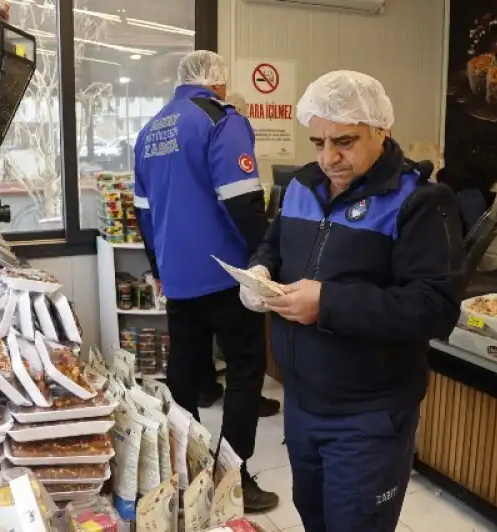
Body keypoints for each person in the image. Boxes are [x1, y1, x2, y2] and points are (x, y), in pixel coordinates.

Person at [240, 70, 466, 531]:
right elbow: (273, 246)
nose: (329, 158)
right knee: (315, 518)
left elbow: (434, 307)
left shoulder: (420, 201)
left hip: (369, 415)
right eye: (318, 142)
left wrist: (328, 303)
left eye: (344, 141)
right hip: (302, 402)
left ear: (381, 130)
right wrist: (259, 271)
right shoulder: (302, 186)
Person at [133, 50, 279, 512]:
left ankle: (185, 472)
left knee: (185, 373)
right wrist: (267, 257)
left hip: (177, 276)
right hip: (225, 275)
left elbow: (143, 213)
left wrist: (160, 269)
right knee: (244, 370)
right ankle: (233, 479)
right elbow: (242, 201)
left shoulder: (150, 130)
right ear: (218, 84)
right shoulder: (220, 119)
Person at [197, 91, 281, 419]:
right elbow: (244, 206)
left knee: (203, 336)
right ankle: (248, 404)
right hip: (230, 260)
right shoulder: (231, 127)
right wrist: (262, 250)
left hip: (196, 263)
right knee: (243, 349)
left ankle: (205, 388)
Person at [436, 156, 497, 237]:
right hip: (470, 191)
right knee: (476, 232)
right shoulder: (473, 178)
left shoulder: (452, 174)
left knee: (473, 232)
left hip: (465, 191)